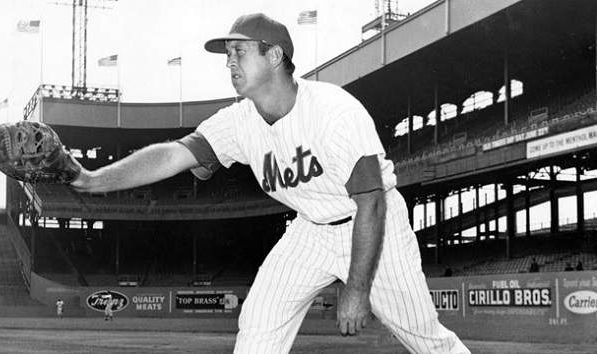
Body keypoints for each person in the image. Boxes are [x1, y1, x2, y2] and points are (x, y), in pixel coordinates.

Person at [72, 13, 469, 353]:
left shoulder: (334, 112)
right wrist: (92, 180)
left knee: (425, 338)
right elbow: (174, 155)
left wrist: (357, 289)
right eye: (227, 56)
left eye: (239, 52)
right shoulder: (238, 122)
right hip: (310, 230)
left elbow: (373, 203)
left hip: (372, 227)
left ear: (275, 55)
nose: (229, 62)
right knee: (259, 324)